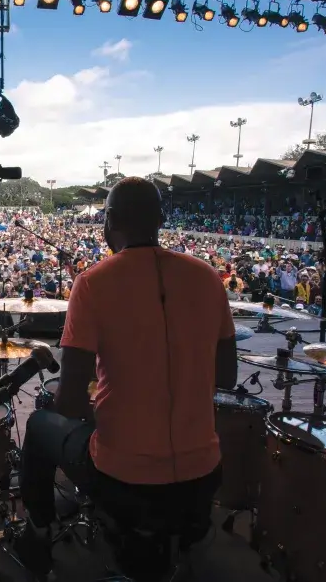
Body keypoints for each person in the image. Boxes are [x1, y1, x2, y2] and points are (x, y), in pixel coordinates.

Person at [15, 177, 238, 577]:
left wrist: (106, 408)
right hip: (203, 472)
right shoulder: (207, 277)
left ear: (110, 220)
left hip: (125, 475)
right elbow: (226, 376)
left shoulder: (93, 283)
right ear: (162, 219)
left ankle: (39, 533)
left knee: (38, 423)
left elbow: (69, 403)